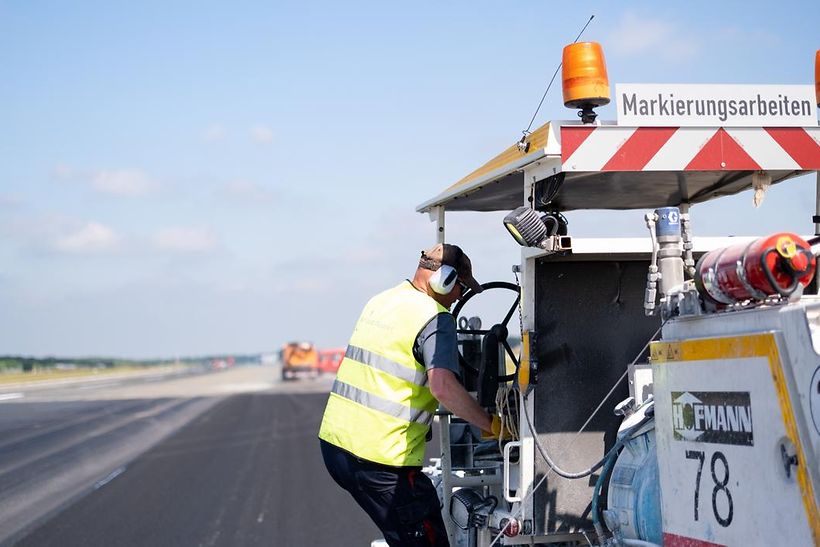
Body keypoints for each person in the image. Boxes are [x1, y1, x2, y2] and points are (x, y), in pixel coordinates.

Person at [318, 243, 501, 547]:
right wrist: (489, 424)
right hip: (381, 461)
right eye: (460, 287)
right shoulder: (435, 317)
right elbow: (442, 386)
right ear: (444, 279)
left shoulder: (381, 301)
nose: (459, 296)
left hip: (337, 449)